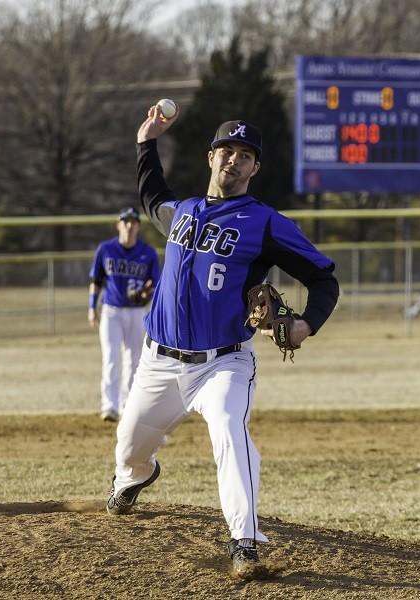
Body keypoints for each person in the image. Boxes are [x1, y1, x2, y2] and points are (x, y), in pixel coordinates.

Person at [105, 105, 339, 579]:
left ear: (254, 168)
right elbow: (153, 197)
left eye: (245, 154)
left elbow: (324, 279)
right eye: (226, 150)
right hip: (159, 363)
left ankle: (244, 540)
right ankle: (136, 476)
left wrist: (306, 324)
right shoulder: (184, 213)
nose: (234, 159)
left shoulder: (265, 223)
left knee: (231, 433)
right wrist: (145, 142)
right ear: (211, 157)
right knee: (128, 449)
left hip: (223, 364)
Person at [88, 207, 161, 422]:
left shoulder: (148, 253)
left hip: (138, 312)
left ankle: (127, 405)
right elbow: (96, 281)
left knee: (134, 360)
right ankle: (109, 406)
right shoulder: (106, 249)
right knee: (111, 358)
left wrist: (146, 292)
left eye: (134, 222)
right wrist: (92, 307)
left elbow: (155, 284)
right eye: (126, 221)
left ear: (138, 226)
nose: (130, 226)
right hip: (111, 310)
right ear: (118, 224)